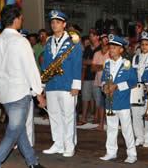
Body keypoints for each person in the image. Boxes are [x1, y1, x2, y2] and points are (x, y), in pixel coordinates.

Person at [0, 5, 47, 168]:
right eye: (21, 18)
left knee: (19, 129)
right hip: (19, 93)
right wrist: (39, 92)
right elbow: (31, 68)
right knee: (13, 131)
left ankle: (32, 162)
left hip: (4, 94)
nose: (22, 20)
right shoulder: (21, 41)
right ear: (16, 19)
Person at [41, 10, 83, 158]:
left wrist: (76, 86)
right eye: (52, 22)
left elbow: (77, 64)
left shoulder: (73, 41)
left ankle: (69, 145)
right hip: (52, 84)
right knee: (54, 115)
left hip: (67, 84)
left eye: (58, 22)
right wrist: (43, 85)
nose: (54, 25)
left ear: (64, 24)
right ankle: (58, 143)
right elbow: (45, 64)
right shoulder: (49, 41)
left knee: (68, 116)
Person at [99, 34, 137, 163]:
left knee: (127, 129)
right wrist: (104, 87)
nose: (111, 49)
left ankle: (132, 154)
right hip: (110, 101)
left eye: (114, 47)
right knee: (111, 128)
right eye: (110, 47)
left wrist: (117, 86)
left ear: (121, 49)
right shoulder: (107, 63)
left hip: (123, 101)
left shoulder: (126, 64)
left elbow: (133, 82)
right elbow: (103, 80)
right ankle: (111, 152)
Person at [130, 31, 148, 148]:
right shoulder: (135, 57)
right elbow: (132, 73)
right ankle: (139, 137)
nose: (144, 46)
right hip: (137, 89)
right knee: (136, 114)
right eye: (142, 44)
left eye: (146, 44)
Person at [80, 30, 101, 126]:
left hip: (97, 77)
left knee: (97, 99)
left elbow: (101, 63)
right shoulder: (87, 48)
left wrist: (90, 62)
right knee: (85, 98)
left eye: (92, 36)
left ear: (97, 37)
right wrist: (93, 62)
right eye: (90, 36)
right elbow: (83, 61)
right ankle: (84, 117)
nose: (90, 38)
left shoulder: (101, 48)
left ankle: (96, 117)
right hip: (87, 76)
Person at [92, 33, 111, 130]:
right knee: (100, 104)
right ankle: (101, 124)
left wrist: (98, 66)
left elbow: (111, 68)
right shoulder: (96, 53)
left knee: (109, 104)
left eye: (106, 39)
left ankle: (110, 124)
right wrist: (103, 66)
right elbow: (92, 68)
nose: (105, 41)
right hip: (99, 82)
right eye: (103, 39)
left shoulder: (111, 53)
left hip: (109, 82)